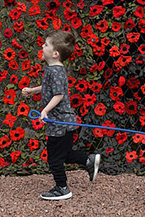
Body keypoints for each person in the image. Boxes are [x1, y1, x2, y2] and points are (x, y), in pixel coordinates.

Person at [21, 30, 101, 200]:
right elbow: (50, 88)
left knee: (54, 158)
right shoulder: (52, 69)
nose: (42, 46)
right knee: (63, 154)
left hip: (61, 123)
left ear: (55, 53)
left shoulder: (56, 71)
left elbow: (59, 95)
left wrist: (45, 110)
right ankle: (89, 160)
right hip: (63, 122)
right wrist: (33, 90)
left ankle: (62, 188)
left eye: (46, 44)